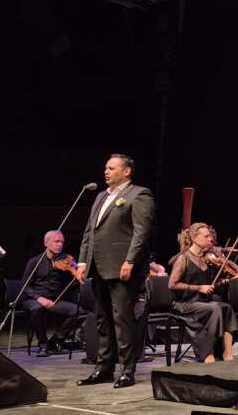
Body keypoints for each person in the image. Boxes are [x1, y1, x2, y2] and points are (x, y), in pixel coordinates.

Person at [75, 154, 154, 389]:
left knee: (122, 319)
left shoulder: (139, 194)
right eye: (106, 168)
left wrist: (130, 260)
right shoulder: (101, 196)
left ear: (126, 171)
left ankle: (127, 370)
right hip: (98, 267)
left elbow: (141, 232)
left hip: (122, 268)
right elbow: (90, 232)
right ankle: (104, 368)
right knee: (102, 320)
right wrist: (82, 263)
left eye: (111, 168)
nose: (106, 171)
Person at [168, 223, 238, 363]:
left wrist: (227, 280)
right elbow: (172, 284)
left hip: (202, 302)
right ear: (194, 238)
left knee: (226, 308)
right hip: (184, 304)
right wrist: (199, 288)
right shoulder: (184, 258)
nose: (210, 239)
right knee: (215, 308)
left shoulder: (206, 258)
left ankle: (227, 353)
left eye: (210, 236)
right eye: (206, 236)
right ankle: (207, 353)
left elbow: (211, 285)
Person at [21, 230, 79, 357]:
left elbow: (72, 282)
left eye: (62, 242)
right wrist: (39, 298)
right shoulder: (34, 261)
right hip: (34, 299)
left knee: (78, 311)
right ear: (46, 243)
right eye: (56, 241)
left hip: (54, 300)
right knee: (37, 309)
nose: (60, 244)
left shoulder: (65, 261)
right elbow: (25, 286)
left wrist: (76, 272)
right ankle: (43, 344)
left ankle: (56, 341)